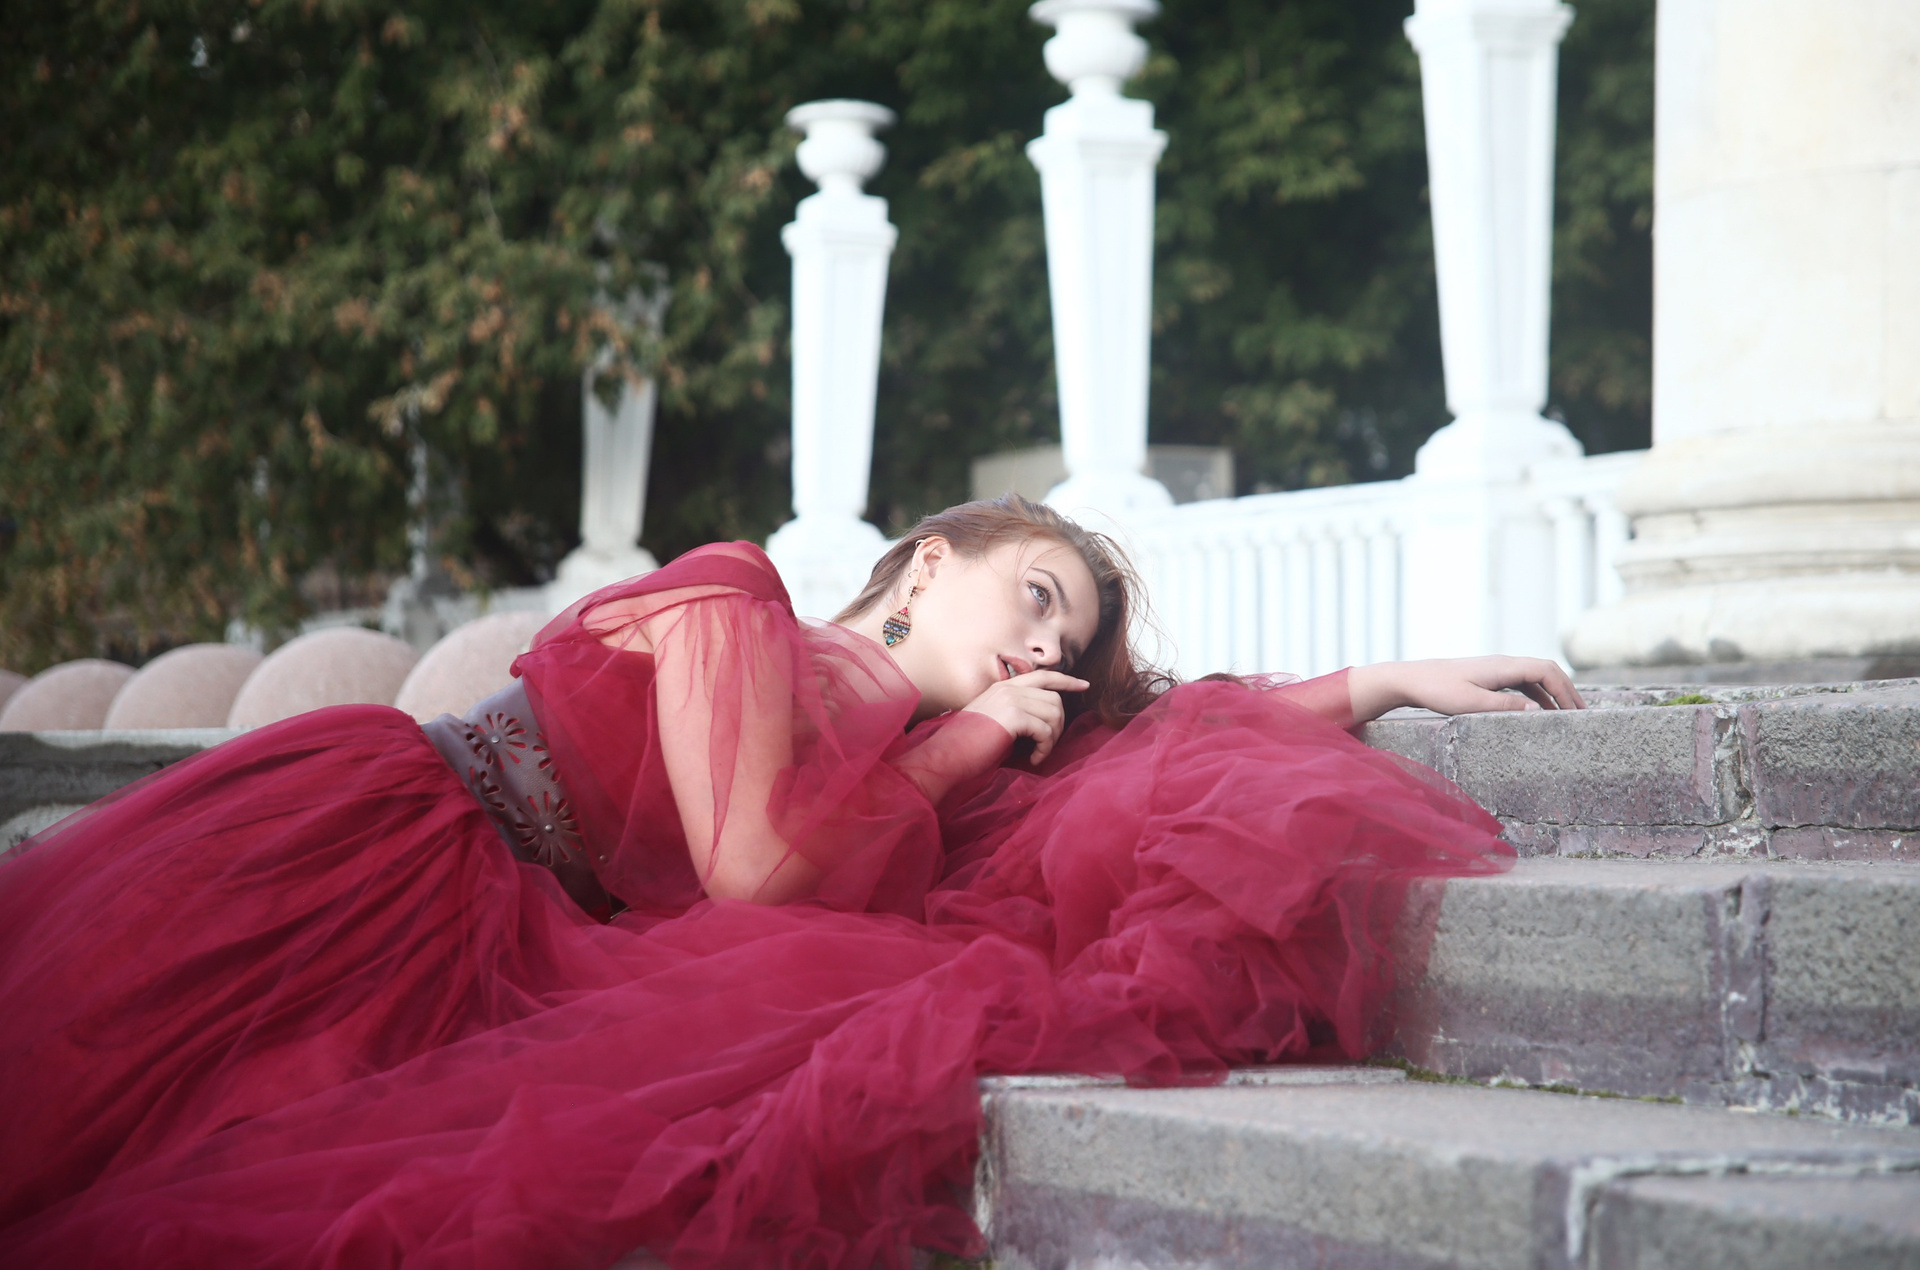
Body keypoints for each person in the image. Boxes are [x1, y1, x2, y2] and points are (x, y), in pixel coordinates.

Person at [0, 495, 1582, 1269]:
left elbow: (1156, 737)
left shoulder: (912, 769)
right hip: (380, 839)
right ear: (931, 556)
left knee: (217, 1165)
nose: (1046, 640)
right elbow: (754, 864)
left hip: (493, 936)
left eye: (1069, 637)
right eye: (1037, 592)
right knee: (73, 1084)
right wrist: (960, 749)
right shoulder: (735, 599)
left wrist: (1383, 678)